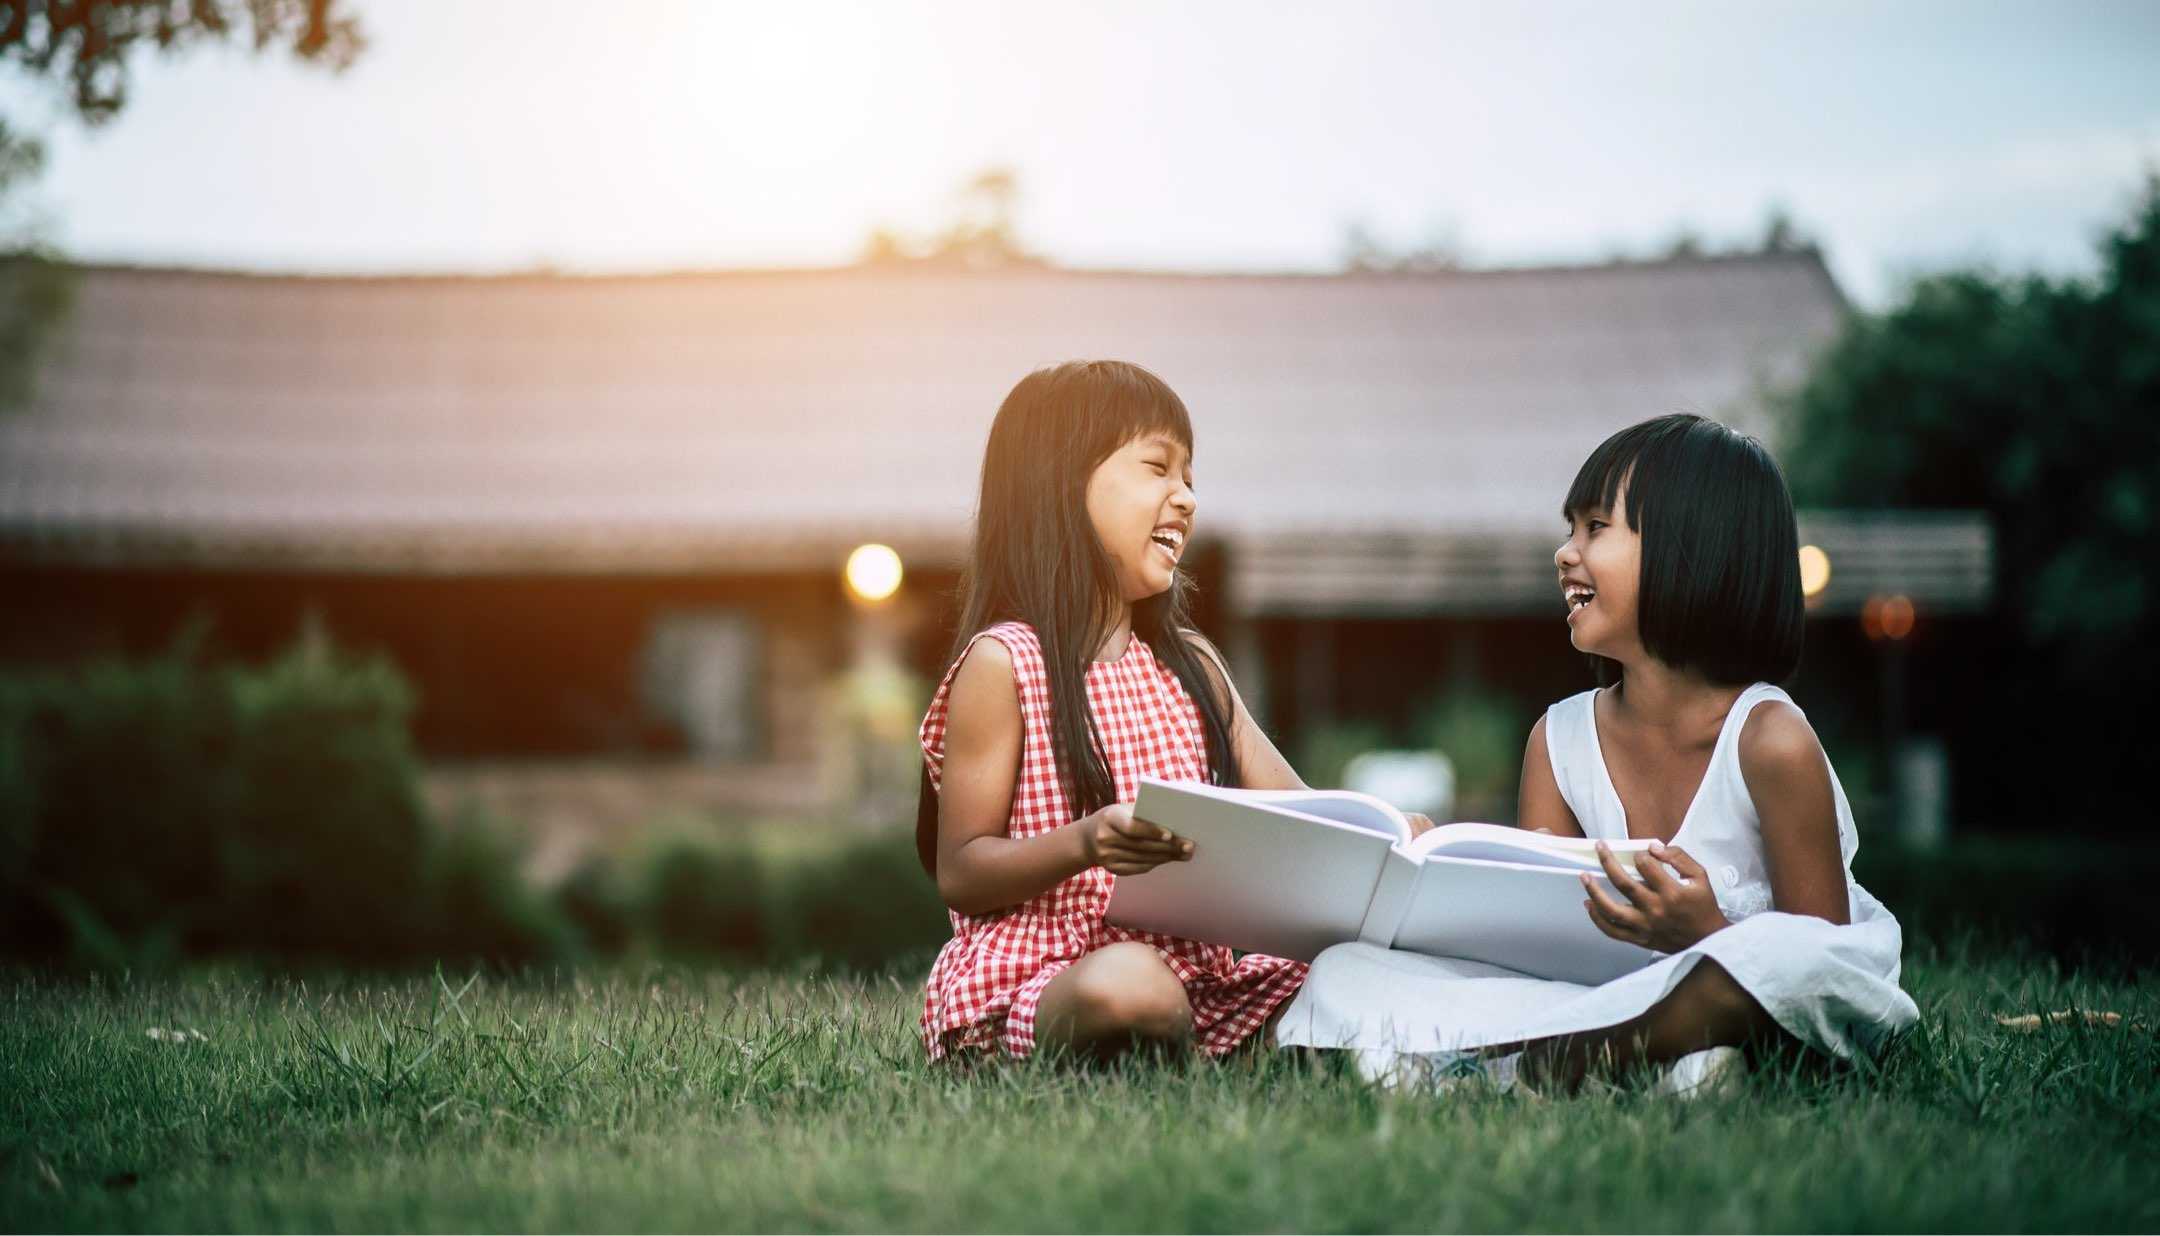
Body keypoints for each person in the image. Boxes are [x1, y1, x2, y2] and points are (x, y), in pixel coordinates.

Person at [1275, 413, 1919, 1094]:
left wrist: (1706, 930)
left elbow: (1818, 960)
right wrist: (1442, 879)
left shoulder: (1769, 740)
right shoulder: (1558, 740)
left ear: (1687, 549)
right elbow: (1528, 947)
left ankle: (1558, 1064)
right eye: (1568, 529)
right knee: (1346, 968)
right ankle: (1653, 1058)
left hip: (1739, 988)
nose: (1565, 552)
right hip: (1604, 994)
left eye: (1594, 528)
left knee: (1777, 967)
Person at [916, 360, 1314, 1063]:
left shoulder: (1192, 663)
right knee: (1129, 985)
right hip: (1049, 975)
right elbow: (962, 870)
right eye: (1157, 468)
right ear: (1061, 488)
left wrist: (1391, 840)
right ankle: (1202, 1043)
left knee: (1352, 971)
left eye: (1190, 478)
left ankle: (1195, 1041)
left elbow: (1303, 812)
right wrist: (1087, 842)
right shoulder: (1006, 663)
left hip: (1199, 979)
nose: (1185, 497)